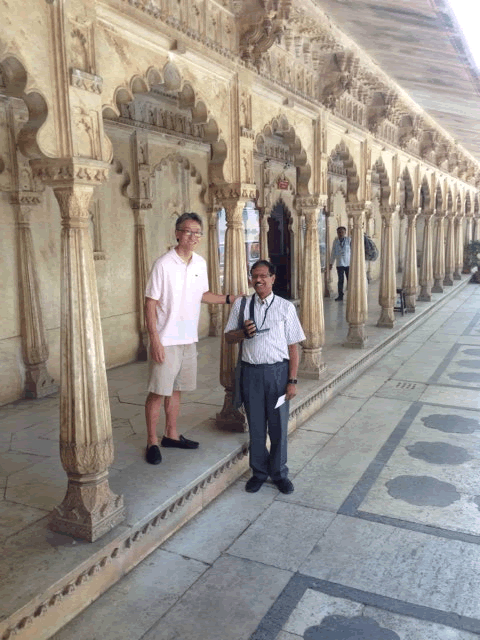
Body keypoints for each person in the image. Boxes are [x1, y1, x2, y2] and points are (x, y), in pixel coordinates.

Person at [144, 212, 241, 465]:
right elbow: (150, 303)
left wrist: (230, 299)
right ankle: (152, 441)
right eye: (188, 231)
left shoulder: (199, 263)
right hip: (165, 339)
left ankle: (171, 435)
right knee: (157, 391)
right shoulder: (163, 264)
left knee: (176, 390)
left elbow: (204, 295)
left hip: (188, 338)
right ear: (177, 233)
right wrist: (154, 339)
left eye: (197, 232)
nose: (193, 236)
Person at [224, 260, 306, 494]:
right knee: (257, 427)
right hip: (251, 373)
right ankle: (259, 472)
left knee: (278, 426)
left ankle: (279, 473)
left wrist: (292, 380)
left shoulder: (285, 307)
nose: (258, 280)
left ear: (272, 278)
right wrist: (242, 333)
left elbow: (293, 347)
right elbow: (229, 338)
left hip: (278, 373)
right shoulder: (241, 305)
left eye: (263, 276)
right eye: (254, 276)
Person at [329, 226, 351, 301]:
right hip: (340, 264)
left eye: (342, 232)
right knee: (340, 280)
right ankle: (340, 295)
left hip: (348, 264)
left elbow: (353, 251)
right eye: (339, 232)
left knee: (350, 280)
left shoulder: (349, 240)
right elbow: (333, 253)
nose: (340, 234)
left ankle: (351, 294)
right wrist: (331, 263)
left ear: (345, 233)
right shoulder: (335, 242)